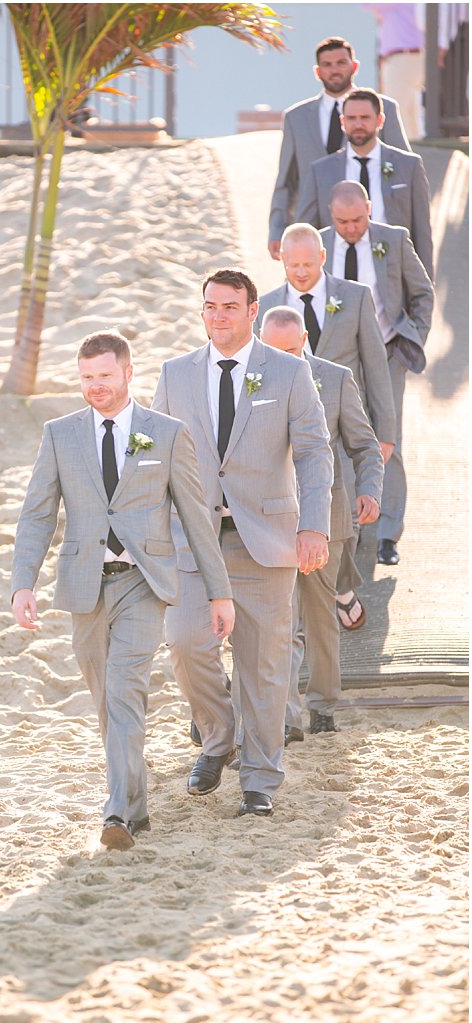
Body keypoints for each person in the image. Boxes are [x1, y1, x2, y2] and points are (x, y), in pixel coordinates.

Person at [11, 331, 233, 849]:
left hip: (143, 582)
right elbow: (37, 514)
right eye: (87, 377)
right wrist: (24, 583)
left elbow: (197, 519)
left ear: (128, 374)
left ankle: (115, 813)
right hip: (83, 586)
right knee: (106, 701)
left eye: (105, 376)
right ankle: (135, 805)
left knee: (126, 691)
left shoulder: (166, 433)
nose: (96, 386)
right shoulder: (59, 434)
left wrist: (219, 593)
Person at [152, 269, 332, 818]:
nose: (218, 316)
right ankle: (218, 737)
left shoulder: (288, 371)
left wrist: (313, 526)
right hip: (193, 540)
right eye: (210, 307)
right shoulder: (175, 374)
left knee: (263, 665)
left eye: (230, 307)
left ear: (253, 310)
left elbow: (314, 450)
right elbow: (156, 454)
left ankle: (259, 780)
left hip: (268, 538)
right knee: (185, 643)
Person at [257, 222, 394, 627]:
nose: (299, 272)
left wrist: (385, 431)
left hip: (339, 418)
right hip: (280, 445)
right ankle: (319, 601)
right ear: (280, 259)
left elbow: (374, 364)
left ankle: (340, 585)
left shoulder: (353, 298)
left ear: (322, 257)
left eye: (307, 263)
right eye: (291, 263)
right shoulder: (263, 307)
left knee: (341, 520)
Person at [257, 307, 382, 740]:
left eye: (292, 350)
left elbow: (365, 445)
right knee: (279, 622)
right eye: (274, 351)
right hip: (267, 522)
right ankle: (287, 716)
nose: (284, 360)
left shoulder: (336, 378)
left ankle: (324, 705)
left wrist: (370, 490)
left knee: (319, 620)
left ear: (305, 338)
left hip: (326, 518)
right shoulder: (247, 381)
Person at [320, 181, 435, 569]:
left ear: (369, 210)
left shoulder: (394, 240)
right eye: (341, 221)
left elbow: (422, 293)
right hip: (340, 358)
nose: (350, 228)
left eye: (357, 220)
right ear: (330, 214)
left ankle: (387, 533)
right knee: (342, 438)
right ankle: (351, 524)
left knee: (389, 437)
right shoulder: (318, 245)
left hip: (387, 354)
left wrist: (412, 340)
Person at [268, 36, 410, 261]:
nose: (334, 70)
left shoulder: (385, 109)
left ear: (354, 66)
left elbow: (404, 170)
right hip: (316, 230)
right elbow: (285, 181)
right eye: (327, 64)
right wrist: (277, 229)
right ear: (317, 71)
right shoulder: (295, 118)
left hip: (373, 227)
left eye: (341, 63)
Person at [302, 88, 435, 275]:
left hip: (393, 273)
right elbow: (306, 231)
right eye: (351, 118)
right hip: (339, 274)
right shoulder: (321, 170)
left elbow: (422, 232)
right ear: (342, 122)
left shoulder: (408, 165)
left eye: (365, 117)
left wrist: (425, 284)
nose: (358, 124)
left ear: (379, 120)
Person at [365, 2, 425, 140]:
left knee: (396, 107)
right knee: (409, 108)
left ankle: (403, 148)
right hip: (405, 57)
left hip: (402, 57)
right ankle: (413, 146)